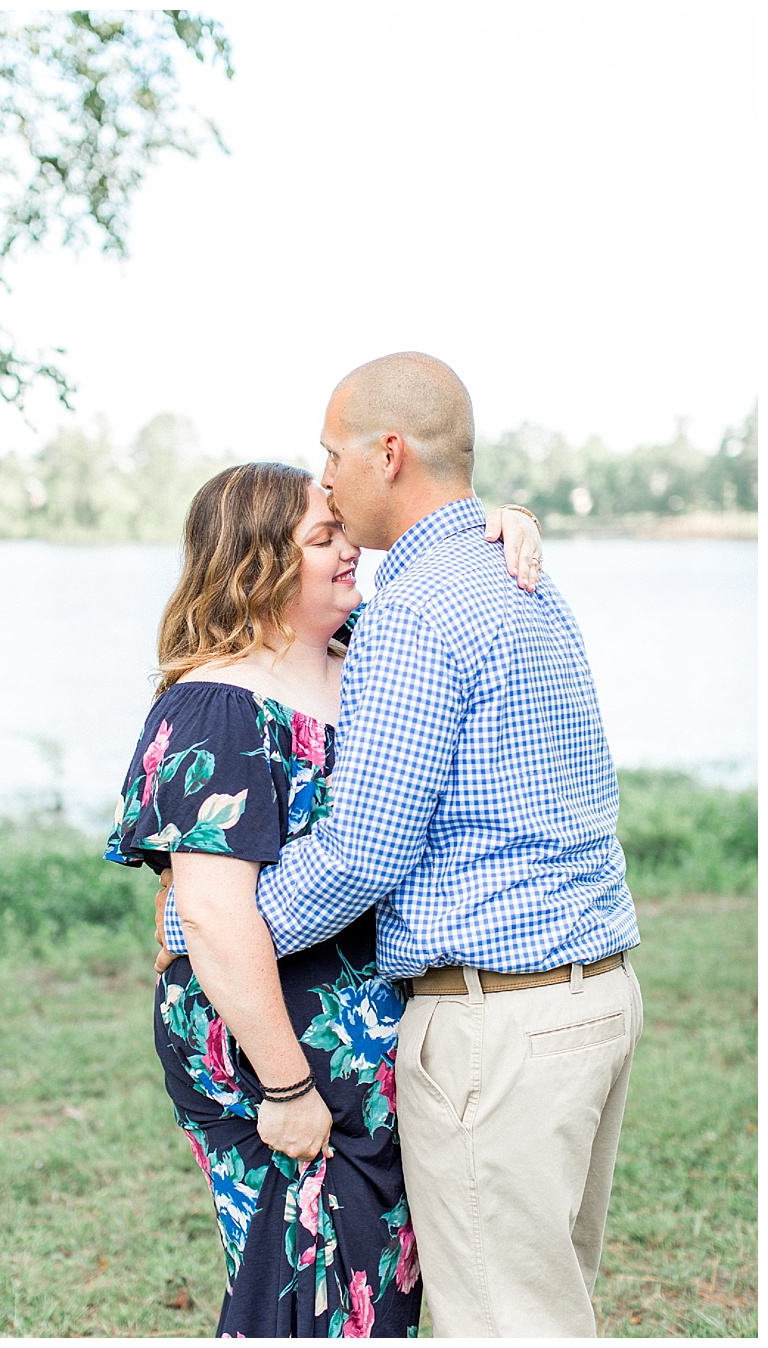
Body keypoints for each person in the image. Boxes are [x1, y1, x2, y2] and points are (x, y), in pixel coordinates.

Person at [160, 353, 641, 1337]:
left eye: (333, 456)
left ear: (387, 453)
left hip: (500, 1024)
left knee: (508, 1318)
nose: (325, 475)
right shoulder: (519, 580)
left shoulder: (416, 613)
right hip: (593, 999)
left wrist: (207, 925)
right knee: (538, 1298)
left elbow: (365, 852)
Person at [108, 460, 545, 1335]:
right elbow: (209, 912)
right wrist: (287, 1086)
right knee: (310, 1295)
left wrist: (508, 522)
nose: (353, 550)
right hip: (274, 1049)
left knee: (381, 1286)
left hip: (372, 1039)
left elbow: (456, 598)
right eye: (323, 537)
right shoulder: (216, 707)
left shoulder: (373, 657)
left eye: (342, 527)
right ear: (257, 565)